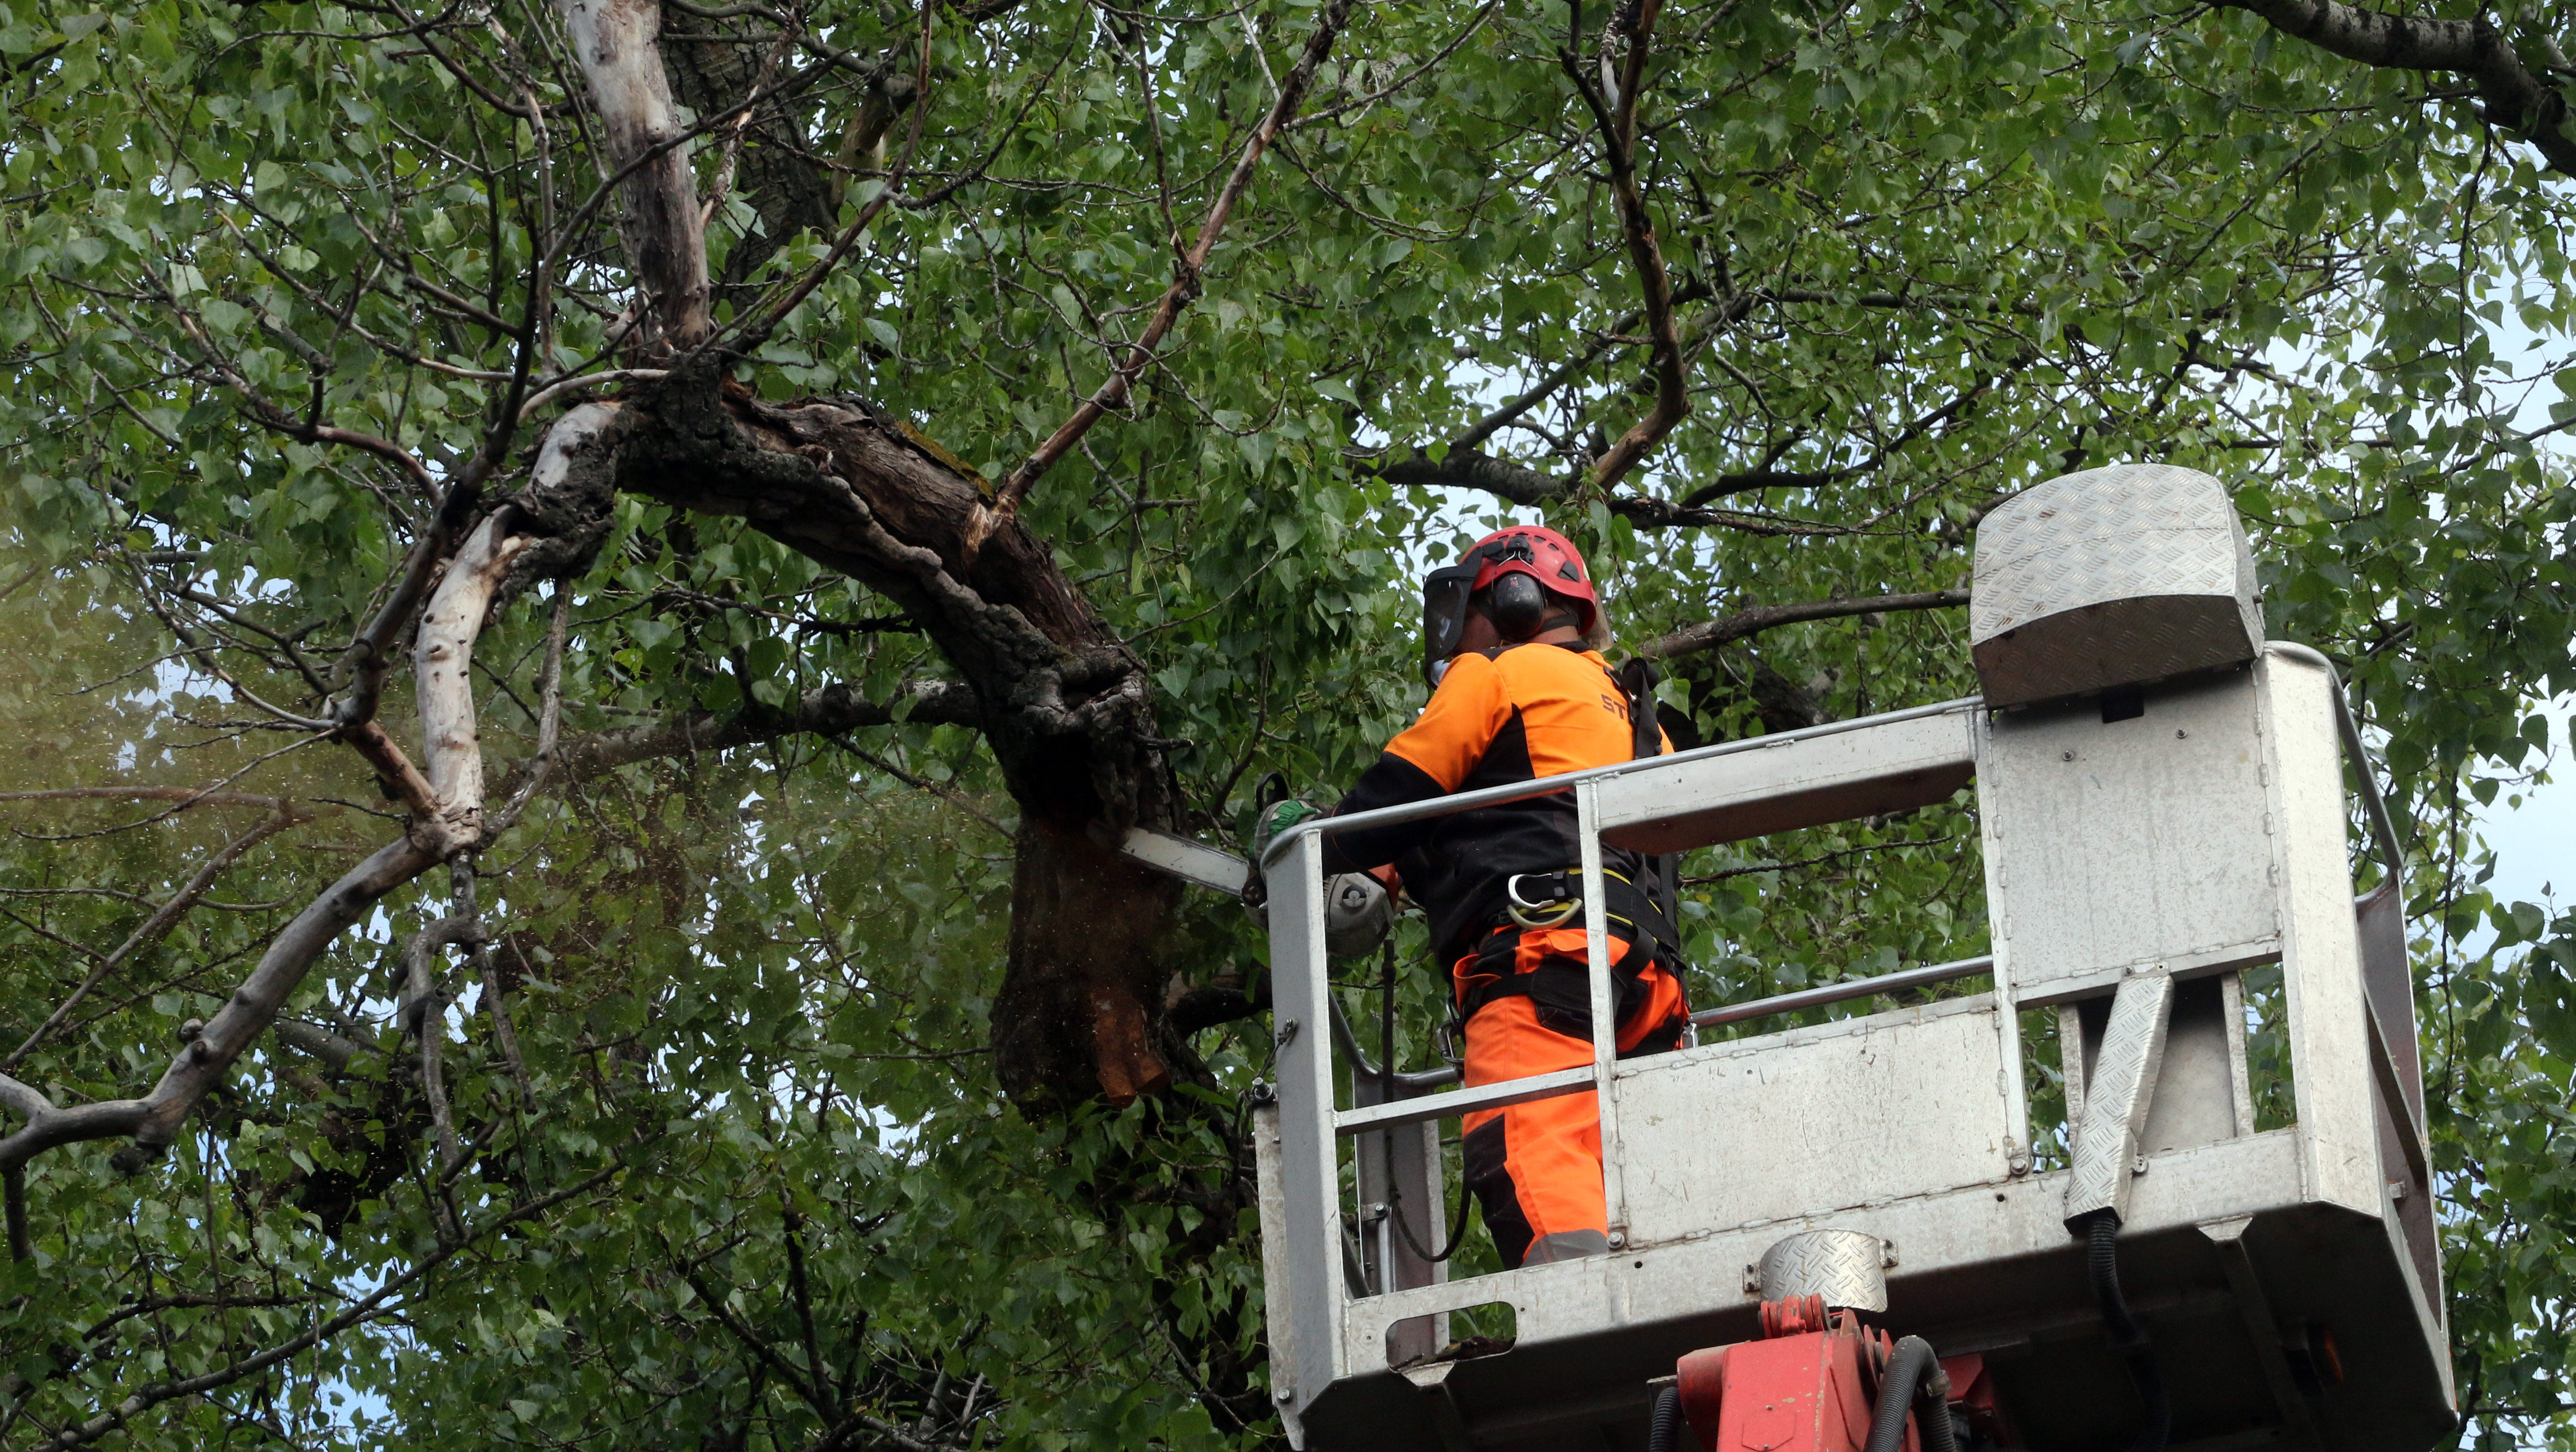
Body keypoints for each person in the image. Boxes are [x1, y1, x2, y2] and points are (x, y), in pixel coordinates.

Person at [1321, 525, 1691, 1268]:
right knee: (1631, 1182)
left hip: (1543, 964)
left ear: (1515, 597)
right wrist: (1399, 871)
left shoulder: (1497, 674)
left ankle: (1588, 1334)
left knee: (1527, 1148)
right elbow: (1526, 808)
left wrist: (1308, 853)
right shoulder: (1636, 717)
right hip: (1646, 985)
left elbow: (1402, 789)